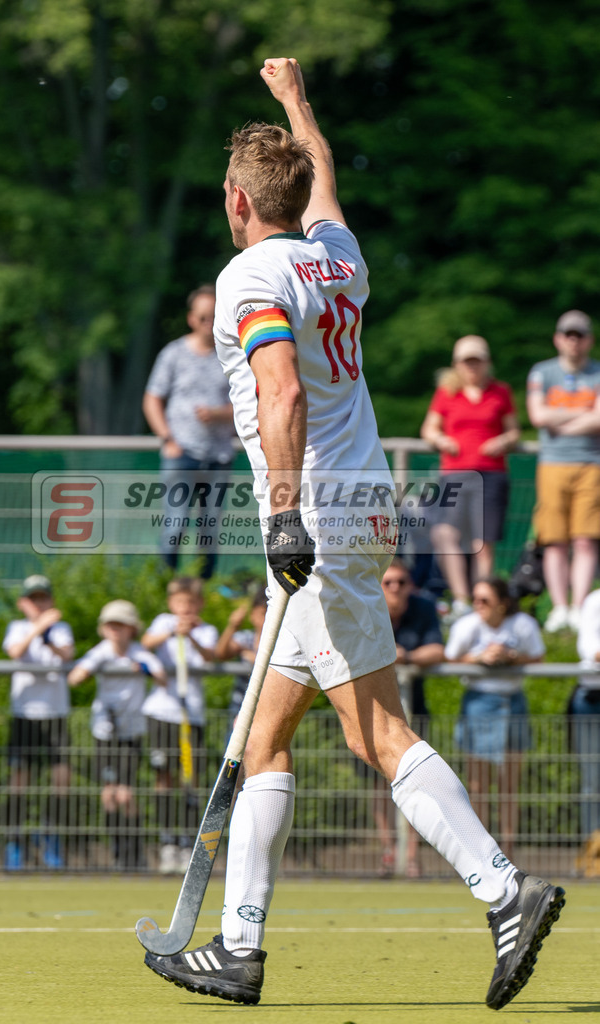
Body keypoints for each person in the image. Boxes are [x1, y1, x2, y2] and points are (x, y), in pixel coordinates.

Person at [143, 57, 565, 1011]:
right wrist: (295, 103)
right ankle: (238, 946)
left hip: (317, 521)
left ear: (236, 201)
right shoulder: (338, 256)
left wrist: (282, 515)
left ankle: (503, 889)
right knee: (264, 735)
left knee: (374, 730)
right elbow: (322, 176)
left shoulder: (249, 273)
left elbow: (281, 390)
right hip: (362, 509)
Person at [445, 577, 545, 860]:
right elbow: (450, 657)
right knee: (477, 786)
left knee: (509, 786)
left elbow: (537, 657)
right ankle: (482, 853)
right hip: (479, 703)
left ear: (502, 603)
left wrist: (510, 657)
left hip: (513, 702)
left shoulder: (522, 624)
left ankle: (508, 852)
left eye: (485, 600)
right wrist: (478, 658)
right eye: (475, 599)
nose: (478, 605)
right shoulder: (467, 625)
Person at [420, 336, 520, 620]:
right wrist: (442, 440)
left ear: (487, 363)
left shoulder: (500, 392)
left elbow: (514, 431)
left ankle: (482, 601)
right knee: (445, 534)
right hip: (454, 472)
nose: (472, 367)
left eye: (477, 361)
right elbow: (429, 428)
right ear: (457, 364)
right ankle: (462, 599)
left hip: (491, 473)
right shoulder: (446, 393)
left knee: (483, 544)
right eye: (467, 361)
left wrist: (502, 441)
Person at [142, 284, 236, 578]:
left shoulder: (233, 354)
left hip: (219, 456)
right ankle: (166, 587)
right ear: (191, 318)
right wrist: (168, 439)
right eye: (203, 317)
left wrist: (219, 414)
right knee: (175, 525)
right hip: (181, 454)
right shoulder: (173, 353)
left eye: (214, 316)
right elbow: (152, 399)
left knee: (210, 529)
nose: (209, 323)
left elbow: (250, 404)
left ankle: (204, 591)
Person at [68, 600, 165, 870]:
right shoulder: (100, 652)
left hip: (132, 732)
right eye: (110, 625)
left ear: (132, 628)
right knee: (109, 794)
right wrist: (89, 671)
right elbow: (74, 678)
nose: (115, 630)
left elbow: (161, 676)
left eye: (121, 625)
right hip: (105, 731)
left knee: (126, 794)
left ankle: (135, 852)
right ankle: (117, 852)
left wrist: (142, 669)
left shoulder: (139, 653)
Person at [369, 557, 444, 877]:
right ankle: (389, 852)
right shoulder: (366, 607)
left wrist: (407, 656)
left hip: (413, 709)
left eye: (401, 582)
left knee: (415, 781)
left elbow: (438, 650)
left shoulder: (423, 608)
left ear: (410, 585)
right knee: (377, 783)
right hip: (372, 709)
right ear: (379, 586)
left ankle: (411, 857)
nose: (395, 588)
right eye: (388, 582)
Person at [526, 310, 600, 633]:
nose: (574, 341)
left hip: (592, 464)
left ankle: (580, 607)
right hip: (552, 463)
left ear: (589, 340)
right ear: (558, 339)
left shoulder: (598, 372)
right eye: (568, 335)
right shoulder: (542, 372)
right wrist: (583, 412)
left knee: (585, 540)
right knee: (554, 540)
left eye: (579, 335)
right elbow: (538, 417)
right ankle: (560, 608)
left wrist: (559, 420)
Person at [141, 577, 218, 874]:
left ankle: (188, 843)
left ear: (200, 604)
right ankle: (167, 842)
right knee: (163, 777)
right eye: (180, 602)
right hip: (162, 712)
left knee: (190, 778)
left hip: (191, 714)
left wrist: (192, 637)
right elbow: (146, 643)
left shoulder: (206, 630)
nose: (185, 608)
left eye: (191, 603)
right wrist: (173, 632)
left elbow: (210, 657)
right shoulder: (163, 622)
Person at [2, 574, 75, 870]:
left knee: (62, 781)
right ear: (23, 603)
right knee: (19, 781)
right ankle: (14, 840)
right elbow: (15, 652)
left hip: (56, 713)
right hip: (24, 714)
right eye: (33, 599)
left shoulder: (62, 629)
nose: (39, 604)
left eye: (43, 598)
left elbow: (67, 654)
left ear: (51, 601)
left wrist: (48, 634)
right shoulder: (17, 628)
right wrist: (38, 628)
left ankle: (50, 835)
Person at [215, 586, 268, 725]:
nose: (266, 619)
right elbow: (221, 654)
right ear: (252, 614)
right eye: (263, 613)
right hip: (240, 706)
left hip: (269, 706)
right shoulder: (246, 637)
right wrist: (233, 626)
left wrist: (255, 659)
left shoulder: (282, 643)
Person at [572, 588, 600, 839]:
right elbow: (590, 651)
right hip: (592, 699)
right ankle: (593, 848)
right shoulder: (594, 601)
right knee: (591, 780)